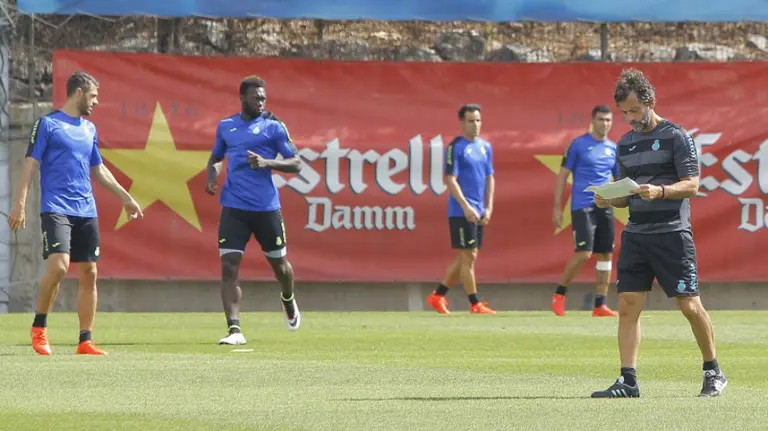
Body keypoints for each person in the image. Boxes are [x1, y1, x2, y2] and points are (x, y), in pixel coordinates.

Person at [591, 68, 726, 398]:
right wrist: (608, 198)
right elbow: (625, 194)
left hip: (672, 234)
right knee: (628, 305)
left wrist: (661, 191)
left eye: (634, 110)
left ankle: (713, 372)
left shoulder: (677, 136)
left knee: (689, 305)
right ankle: (628, 380)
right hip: (636, 234)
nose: (630, 118)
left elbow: (693, 184)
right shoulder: (624, 144)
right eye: (624, 112)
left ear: (650, 101)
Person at [8, 71, 143, 356]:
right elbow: (30, 165)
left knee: (89, 272)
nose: (96, 102)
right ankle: (39, 328)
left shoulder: (89, 129)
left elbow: (99, 169)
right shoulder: (47, 124)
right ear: (78, 93)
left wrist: (127, 199)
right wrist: (20, 203)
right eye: (93, 96)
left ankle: (85, 340)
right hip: (56, 208)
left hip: (86, 209)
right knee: (59, 267)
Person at [206, 75, 303, 345]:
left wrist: (267, 162)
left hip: (266, 208)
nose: (260, 102)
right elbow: (216, 157)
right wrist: (212, 177)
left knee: (280, 265)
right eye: (255, 97)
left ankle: (287, 298)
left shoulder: (274, 127)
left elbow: (296, 163)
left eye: (263, 98)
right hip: (234, 207)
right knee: (229, 266)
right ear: (242, 98)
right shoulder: (226, 126)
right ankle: (234, 330)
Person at [426, 104, 496, 315]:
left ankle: (437, 296)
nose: (476, 125)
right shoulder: (455, 147)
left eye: (478, 120)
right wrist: (466, 207)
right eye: (471, 121)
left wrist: (489, 207)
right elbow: (450, 180)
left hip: (479, 210)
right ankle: (474, 303)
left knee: (466, 257)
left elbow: (489, 177)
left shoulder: (485, 147)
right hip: (460, 211)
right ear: (462, 123)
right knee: (468, 257)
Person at [551, 105, 619, 317]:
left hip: (605, 206)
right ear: (593, 121)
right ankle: (559, 293)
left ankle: (600, 304)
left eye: (608, 120)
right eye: (601, 119)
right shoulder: (578, 145)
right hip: (583, 206)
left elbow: (620, 180)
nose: (605, 124)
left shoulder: (614, 148)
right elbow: (562, 175)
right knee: (584, 253)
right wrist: (557, 207)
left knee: (606, 254)